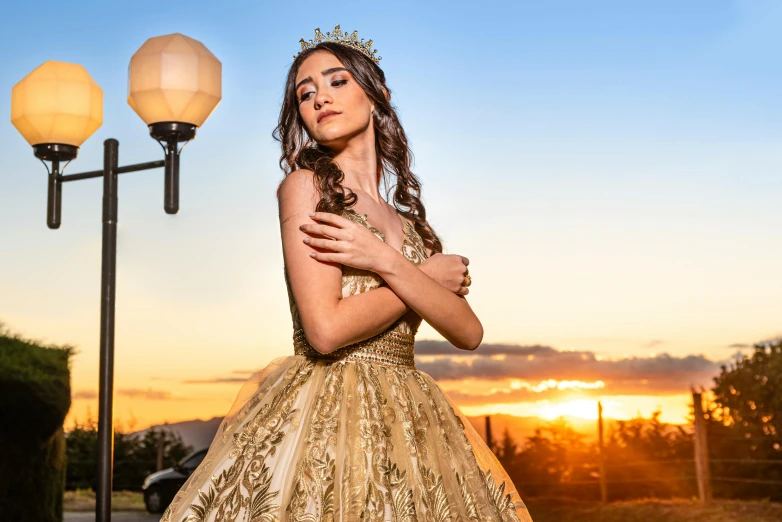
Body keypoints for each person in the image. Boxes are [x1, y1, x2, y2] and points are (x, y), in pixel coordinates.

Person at [160, 25, 533, 522]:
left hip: (413, 423)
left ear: (376, 96)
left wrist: (387, 260)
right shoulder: (305, 188)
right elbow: (326, 330)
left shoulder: (412, 226)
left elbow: (468, 332)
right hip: (326, 414)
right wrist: (418, 277)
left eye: (336, 82)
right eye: (306, 93)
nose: (320, 98)